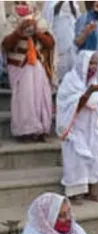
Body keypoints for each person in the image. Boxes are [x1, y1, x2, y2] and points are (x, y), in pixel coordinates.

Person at [56, 51, 98, 205]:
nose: (93, 67)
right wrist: (90, 91)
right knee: (76, 158)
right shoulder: (71, 80)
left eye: (96, 63)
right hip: (74, 127)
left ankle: (91, 188)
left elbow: (94, 105)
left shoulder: (93, 80)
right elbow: (73, 106)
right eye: (91, 63)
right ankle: (75, 192)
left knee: (93, 155)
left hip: (90, 126)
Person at [2, 1, 55, 143]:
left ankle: (41, 130)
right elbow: (5, 45)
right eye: (17, 3)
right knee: (24, 98)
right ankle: (25, 131)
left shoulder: (40, 19)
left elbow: (50, 44)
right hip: (18, 65)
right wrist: (18, 32)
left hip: (37, 64)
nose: (21, 5)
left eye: (24, 3)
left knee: (40, 97)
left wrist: (37, 31)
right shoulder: (10, 21)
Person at [42, 1, 80, 82]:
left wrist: (70, 3)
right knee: (60, 60)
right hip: (58, 29)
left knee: (72, 58)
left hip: (71, 29)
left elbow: (76, 14)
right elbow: (52, 13)